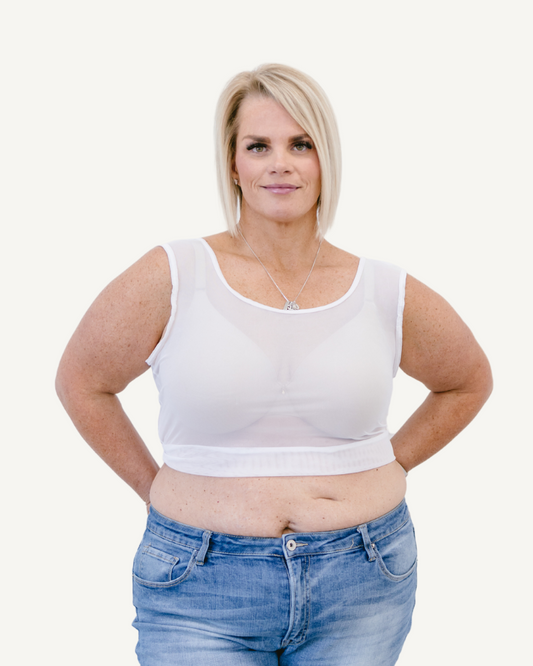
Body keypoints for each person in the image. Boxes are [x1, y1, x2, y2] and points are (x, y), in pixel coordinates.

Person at [56, 64, 493, 665]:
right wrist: (153, 486)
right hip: (199, 588)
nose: (280, 163)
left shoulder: (383, 288)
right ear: (233, 163)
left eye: (301, 145)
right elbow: (82, 382)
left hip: (363, 584)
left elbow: (467, 381)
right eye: (258, 146)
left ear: (325, 161)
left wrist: (388, 463)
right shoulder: (174, 274)